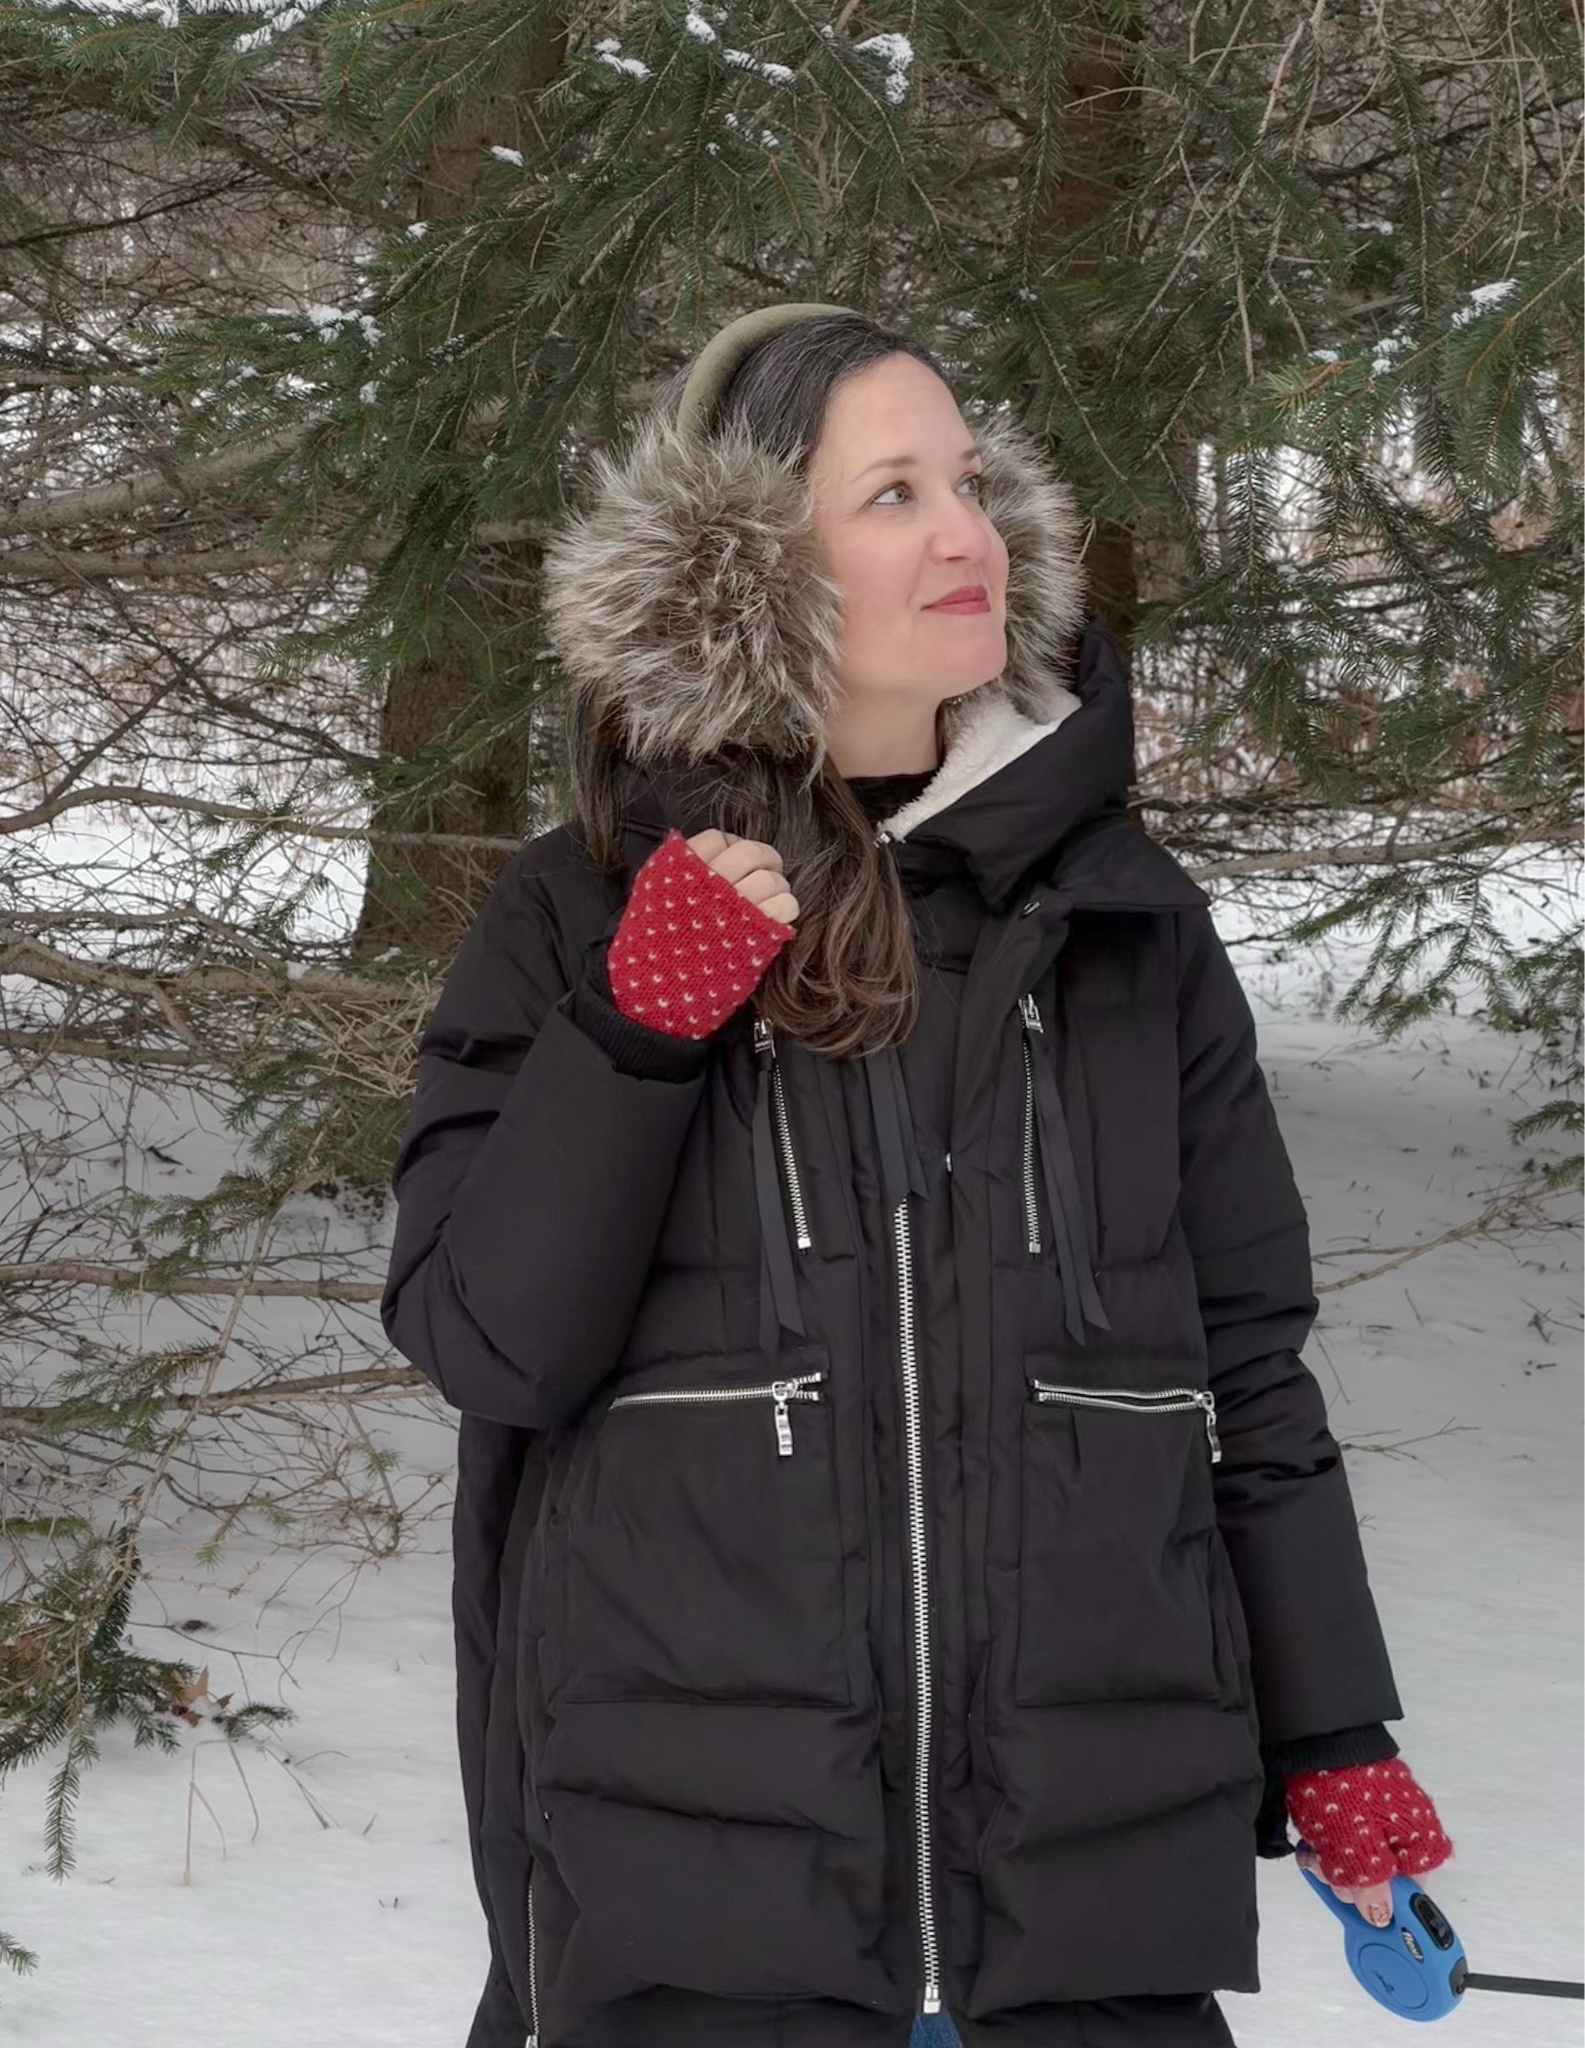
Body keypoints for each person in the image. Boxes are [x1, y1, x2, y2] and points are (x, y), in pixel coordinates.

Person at [381, 305, 1453, 2048]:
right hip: (697, 1919)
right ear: (741, 570)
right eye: (892, 492)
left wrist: (1332, 1739)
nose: (970, 533)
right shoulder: (570, 917)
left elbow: (1243, 1370)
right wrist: (636, 1037)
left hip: (1088, 1912)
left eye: (969, 483)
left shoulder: (1125, 929)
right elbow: (488, 1346)